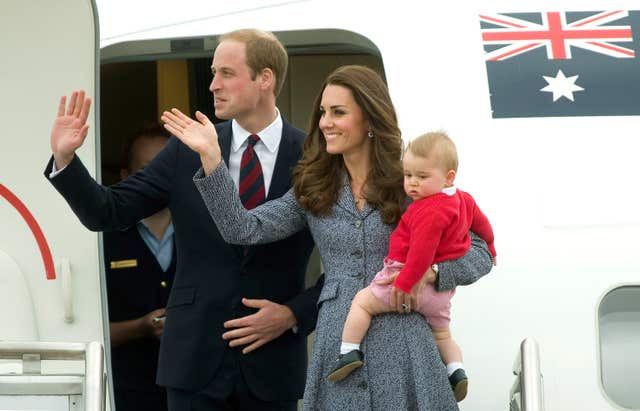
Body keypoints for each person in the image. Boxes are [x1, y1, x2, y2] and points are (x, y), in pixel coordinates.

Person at [163, 65, 494, 410]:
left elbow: (481, 252)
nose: (325, 122)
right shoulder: (314, 187)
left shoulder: (412, 182)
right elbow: (244, 229)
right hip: (339, 346)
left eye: (338, 112)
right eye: (323, 112)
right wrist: (213, 163)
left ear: (369, 119)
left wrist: (433, 274)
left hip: (406, 343)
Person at [45, 28, 323, 411]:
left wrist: (294, 314)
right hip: (194, 362)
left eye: (226, 73)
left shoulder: (314, 158)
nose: (213, 85)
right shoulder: (185, 150)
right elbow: (107, 211)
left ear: (265, 78)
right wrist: (65, 161)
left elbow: (348, 265)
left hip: (272, 366)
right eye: (212, 73)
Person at [327, 131, 498, 403]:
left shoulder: (427, 209)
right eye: (408, 176)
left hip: (406, 278)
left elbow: (421, 252)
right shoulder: (463, 199)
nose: (413, 184)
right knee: (442, 333)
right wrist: (491, 246)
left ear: (449, 176)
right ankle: (456, 370)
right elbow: (483, 225)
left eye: (421, 176)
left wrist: (405, 283)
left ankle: (348, 351)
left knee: (362, 303)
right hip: (441, 295)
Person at [104, 124, 173, 411]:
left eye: (167, 168)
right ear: (125, 176)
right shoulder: (102, 239)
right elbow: (85, 331)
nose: (159, 180)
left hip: (195, 393)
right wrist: (140, 328)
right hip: (124, 392)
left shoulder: (205, 233)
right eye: (147, 170)